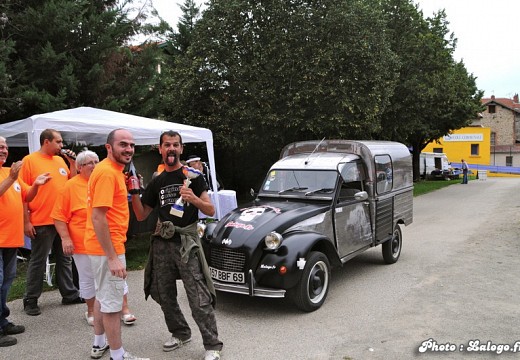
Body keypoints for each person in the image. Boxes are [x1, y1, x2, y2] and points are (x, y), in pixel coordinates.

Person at [131, 131, 223, 360]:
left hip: (186, 243)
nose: (171, 149)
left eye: (175, 145)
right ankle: (180, 332)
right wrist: (133, 193)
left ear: (181, 149)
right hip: (162, 242)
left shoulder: (193, 176)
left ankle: (212, 345)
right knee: (163, 292)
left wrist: (194, 199)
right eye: (166, 145)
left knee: (197, 295)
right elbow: (142, 215)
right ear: (160, 150)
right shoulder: (157, 181)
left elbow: (210, 210)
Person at [51, 150, 136, 328]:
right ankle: (91, 311)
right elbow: (58, 216)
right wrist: (65, 238)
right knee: (88, 278)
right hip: (82, 242)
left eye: (97, 161)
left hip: (108, 240)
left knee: (118, 275)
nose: (94, 165)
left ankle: (124, 308)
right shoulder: (70, 186)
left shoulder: (105, 179)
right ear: (79, 167)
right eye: (90, 163)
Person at [83, 129, 148, 360]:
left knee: (103, 298)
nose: (128, 149)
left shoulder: (110, 171)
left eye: (131, 144)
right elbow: (98, 217)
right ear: (109, 147)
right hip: (107, 248)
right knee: (112, 306)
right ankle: (118, 355)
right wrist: (112, 256)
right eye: (123, 144)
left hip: (101, 246)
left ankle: (99, 343)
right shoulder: (108, 173)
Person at [20, 129, 82, 316]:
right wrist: (26, 221)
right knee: (38, 260)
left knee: (65, 258)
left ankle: (69, 294)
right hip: (41, 219)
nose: (62, 145)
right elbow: (22, 194)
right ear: (46, 142)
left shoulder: (59, 160)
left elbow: (71, 182)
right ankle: (31, 299)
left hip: (62, 219)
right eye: (58, 142)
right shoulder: (29, 161)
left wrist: (72, 163)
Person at [0, 137, 50, 347]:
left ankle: (2, 320)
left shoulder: (7, 172)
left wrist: (36, 185)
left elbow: (26, 196)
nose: (4, 150)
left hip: (10, 238)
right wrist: (12, 177)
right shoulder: (9, 175)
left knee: (6, 280)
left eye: (5, 147)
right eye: (0, 147)